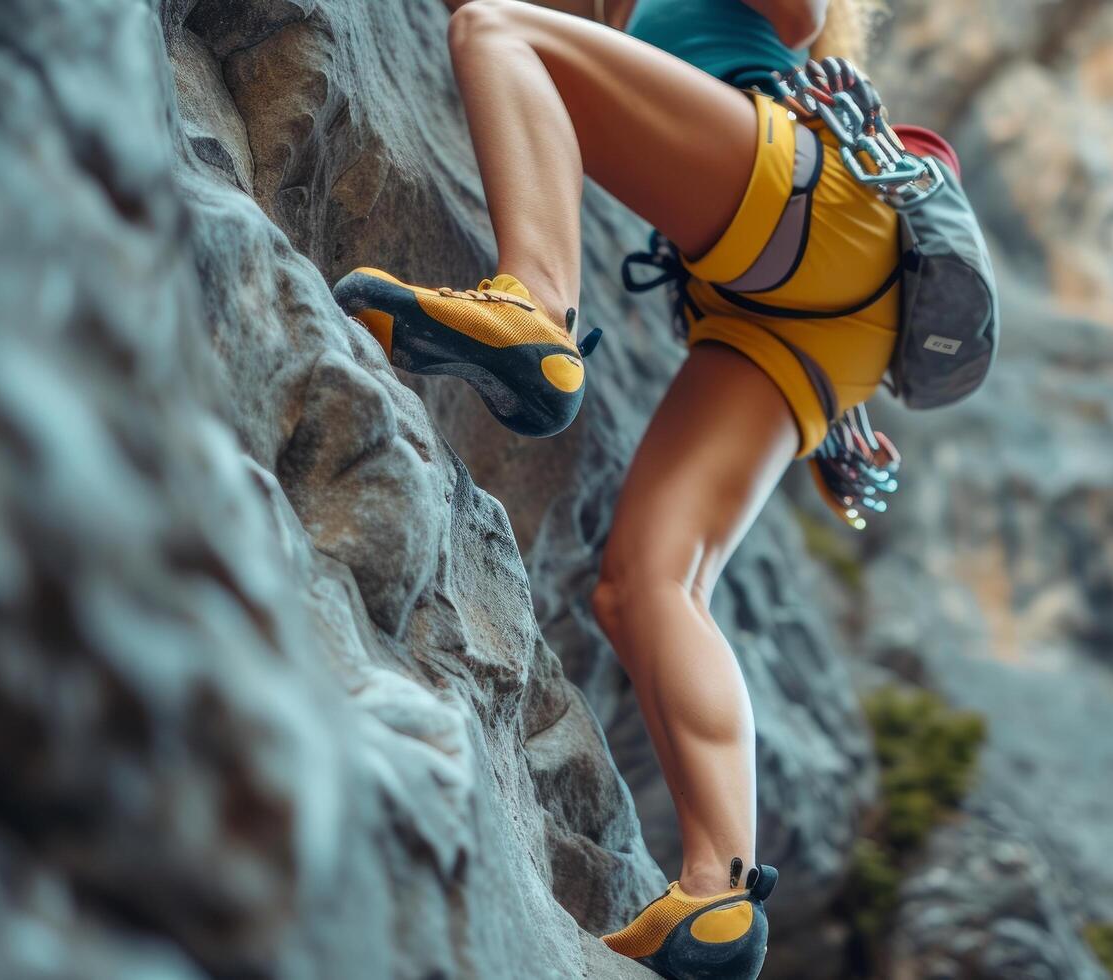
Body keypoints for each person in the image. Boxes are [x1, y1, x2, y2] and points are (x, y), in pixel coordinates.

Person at [332, 2, 961, 976]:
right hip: (799, 314)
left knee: (500, 30)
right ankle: (720, 890)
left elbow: (802, 12)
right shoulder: (623, 22)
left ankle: (534, 306)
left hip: (808, 211)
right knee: (646, 584)